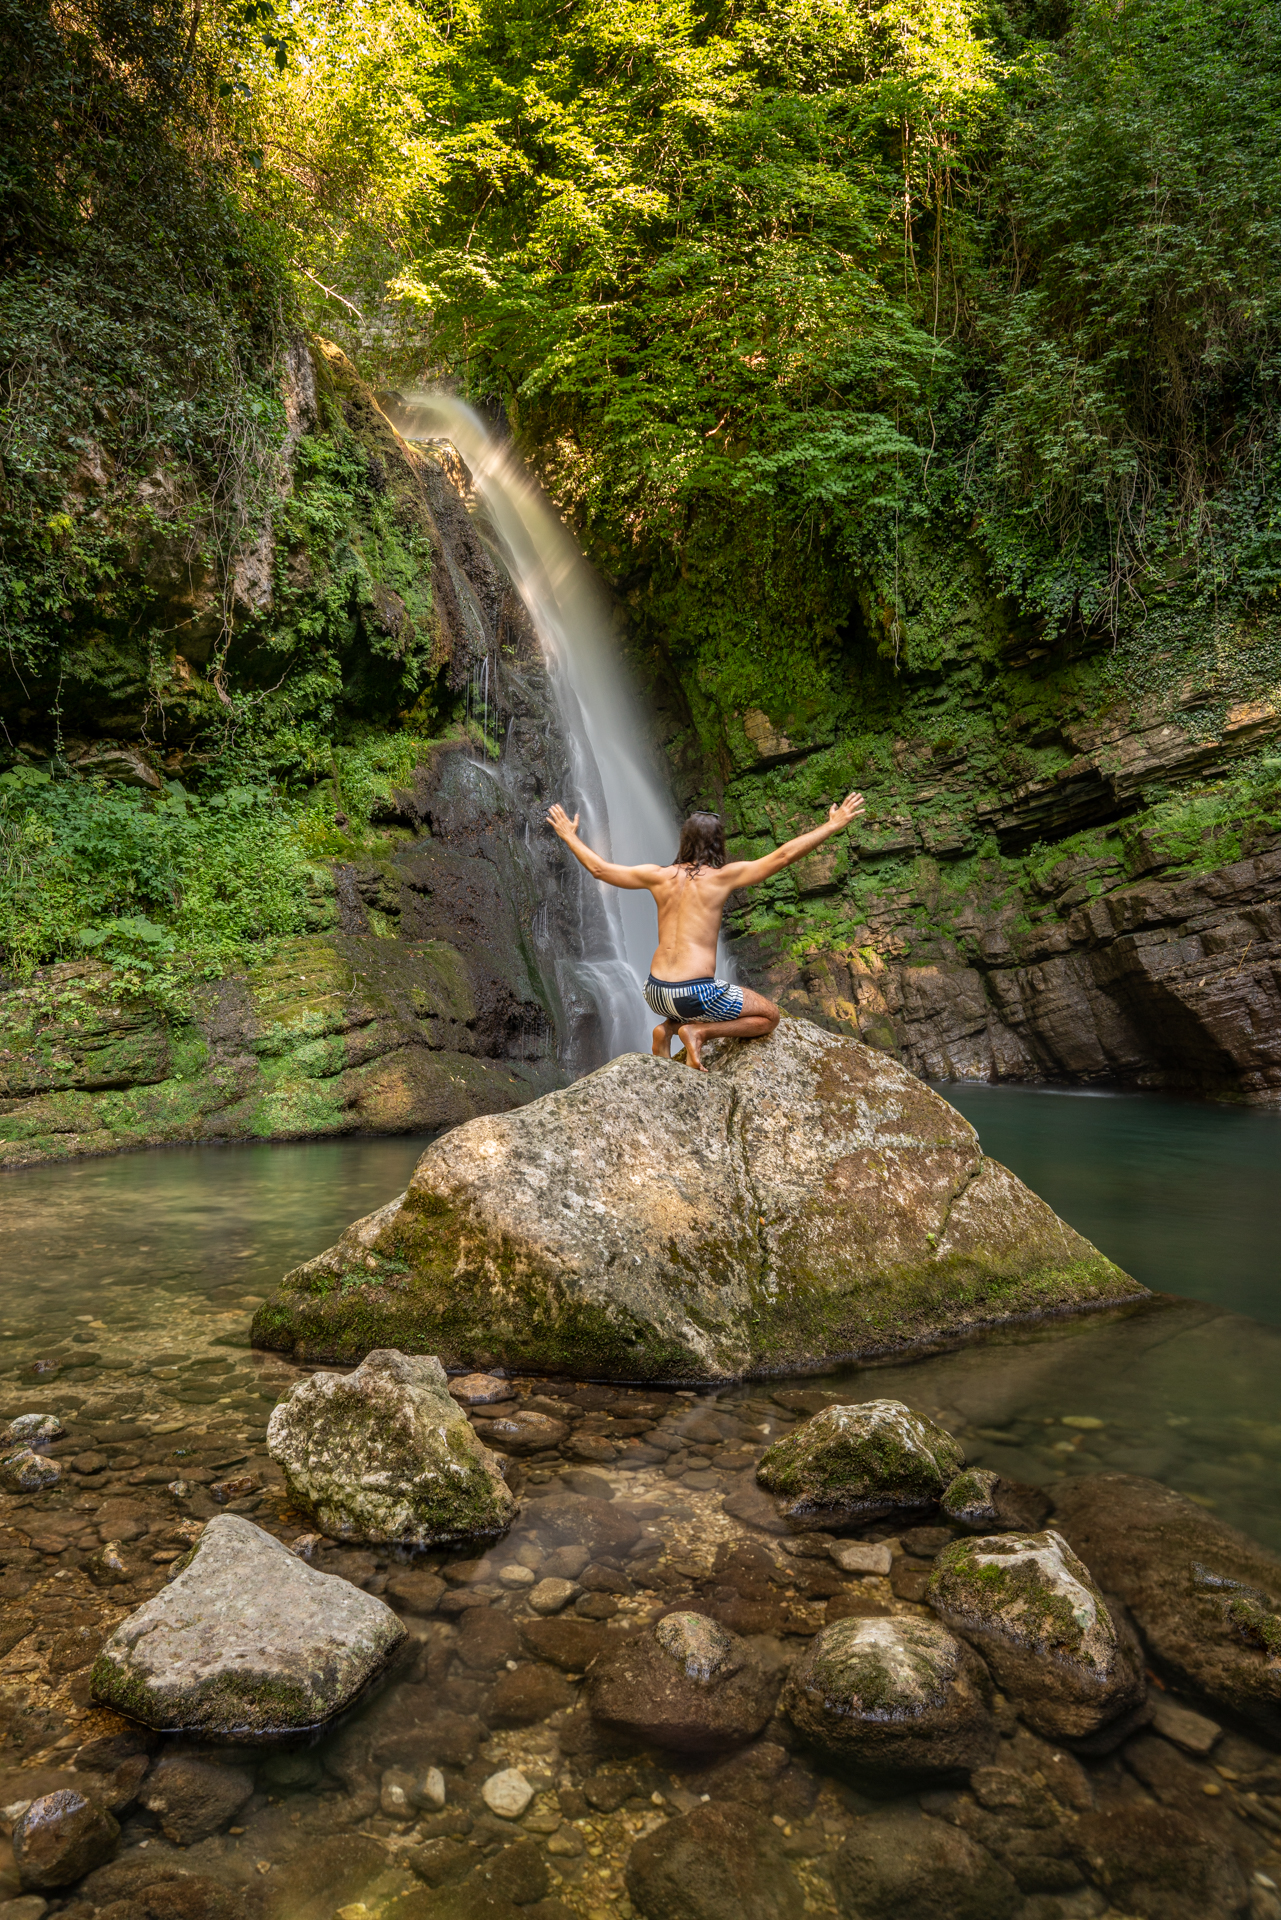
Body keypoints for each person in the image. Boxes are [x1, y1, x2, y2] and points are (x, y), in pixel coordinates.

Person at [546, 791, 865, 1069]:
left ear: (683, 841)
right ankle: (698, 1032)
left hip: (654, 992)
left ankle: (667, 1029)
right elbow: (781, 856)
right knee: (769, 1016)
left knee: (691, 1001)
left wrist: (569, 835)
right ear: (718, 844)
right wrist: (831, 825)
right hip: (694, 995)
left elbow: (600, 869)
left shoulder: (657, 875)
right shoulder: (722, 877)